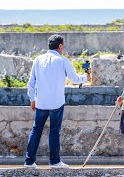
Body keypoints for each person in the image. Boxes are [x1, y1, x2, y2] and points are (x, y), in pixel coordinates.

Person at [24, 34, 90, 169]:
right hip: (56, 103)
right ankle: (54, 162)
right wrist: (86, 77)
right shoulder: (63, 60)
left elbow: (31, 82)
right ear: (60, 46)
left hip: (41, 102)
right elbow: (74, 79)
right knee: (54, 132)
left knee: (36, 131)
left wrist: (32, 99)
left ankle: (29, 162)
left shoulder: (38, 59)